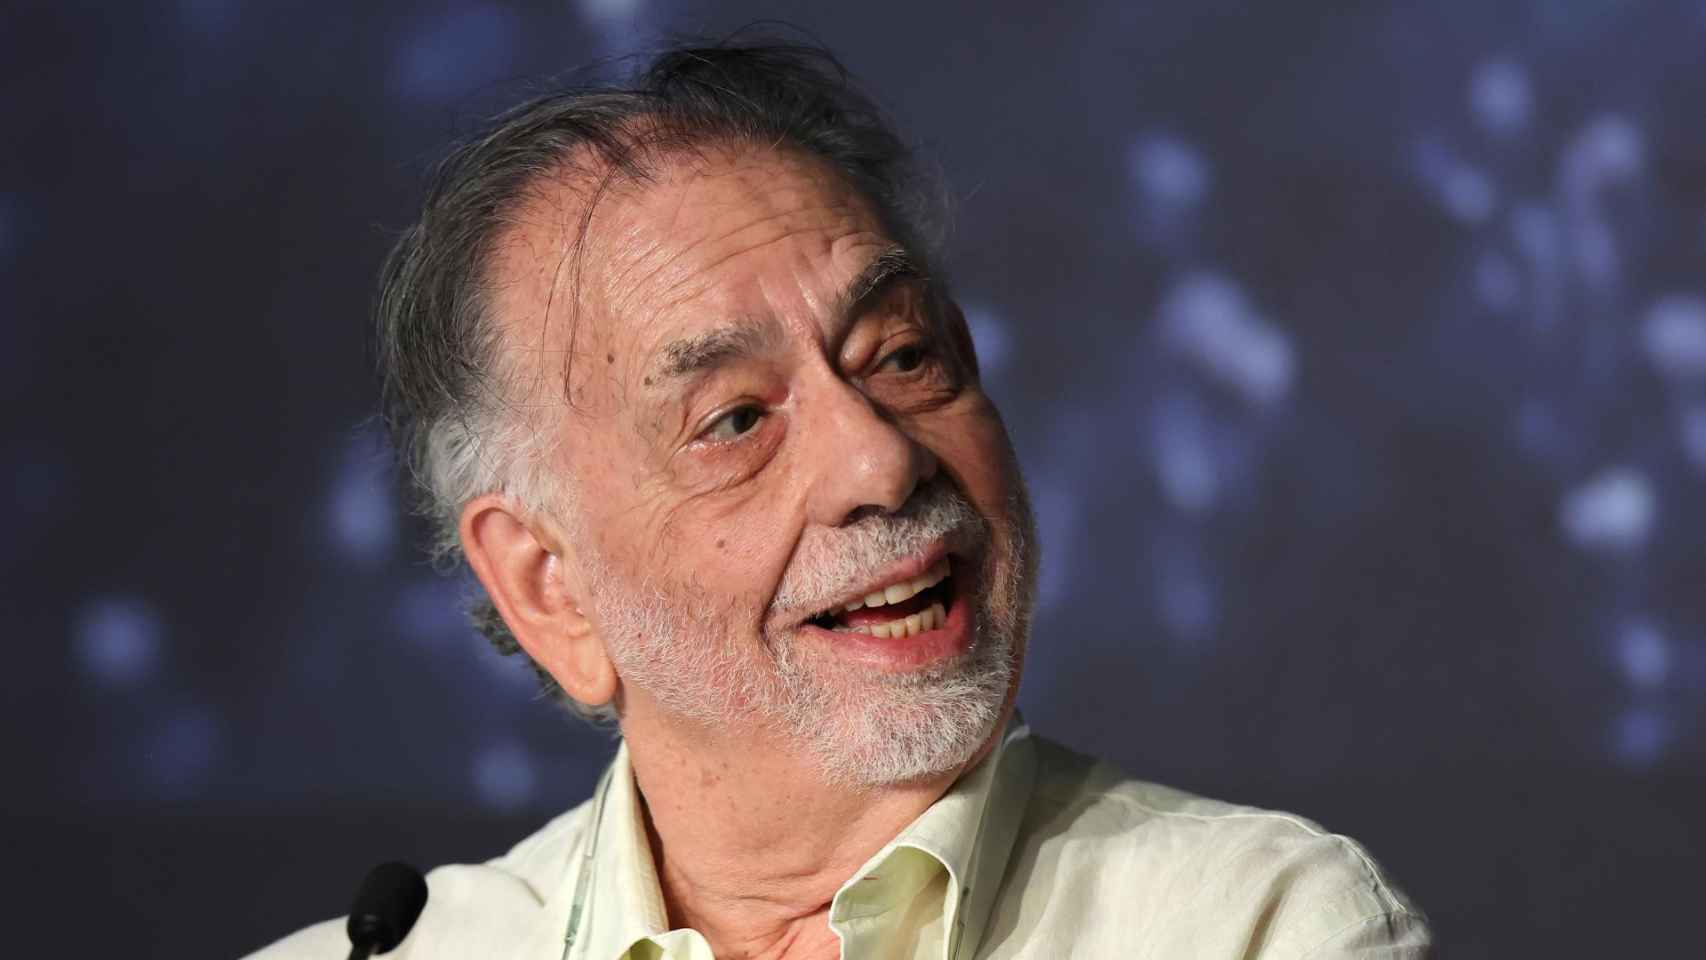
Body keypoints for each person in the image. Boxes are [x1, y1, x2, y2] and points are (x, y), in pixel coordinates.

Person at [250, 40, 1429, 959]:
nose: (879, 463)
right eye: (735, 421)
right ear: (548, 589)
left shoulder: (1250, 927)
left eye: (902, 357)